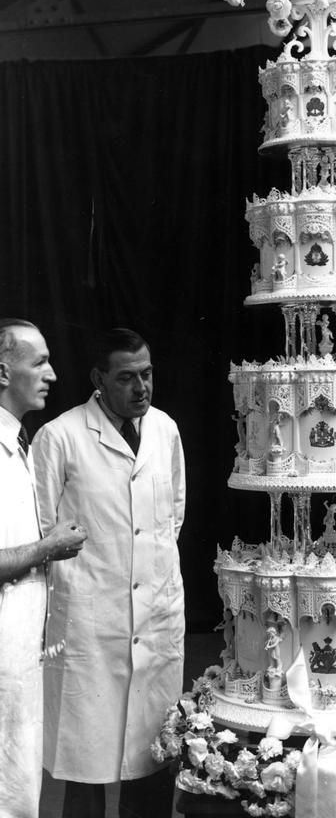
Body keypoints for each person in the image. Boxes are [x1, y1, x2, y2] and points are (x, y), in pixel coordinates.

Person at [33, 327, 186, 818]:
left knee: (153, 759)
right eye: (126, 378)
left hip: (156, 618)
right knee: (85, 763)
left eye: (147, 374)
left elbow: (172, 517)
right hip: (90, 625)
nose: (141, 387)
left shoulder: (164, 430)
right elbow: (39, 529)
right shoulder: (59, 437)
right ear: (99, 378)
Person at [0, 318, 86, 818]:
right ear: (3, 372)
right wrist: (47, 547)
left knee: (18, 777)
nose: (52, 373)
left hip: (21, 642)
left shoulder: (19, 442)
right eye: (39, 362)